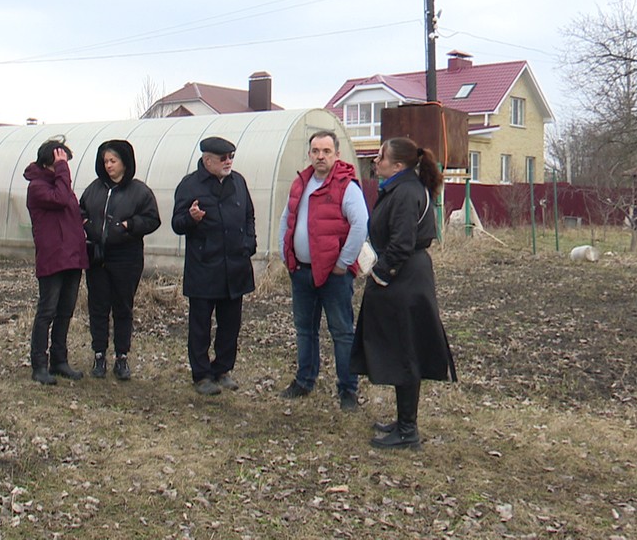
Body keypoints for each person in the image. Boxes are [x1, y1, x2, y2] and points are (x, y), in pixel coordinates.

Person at [350, 136, 457, 449]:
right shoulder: (400, 188)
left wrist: (380, 274)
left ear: (397, 165)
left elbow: (401, 243)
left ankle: (408, 432)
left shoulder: (406, 193)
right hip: (404, 277)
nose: (376, 161)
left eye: (381, 157)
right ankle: (403, 421)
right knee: (401, 349)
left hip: (406, 281)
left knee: (407, 351)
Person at [276, 131, 370, 411]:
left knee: (341, 331)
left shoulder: (346, 186)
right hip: (301, 271)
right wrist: (286, 254)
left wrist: (343, 263)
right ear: (309, 154)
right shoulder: (301, 183)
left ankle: (348, 389)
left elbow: (360, 225)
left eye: (326, 151)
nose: (320, 156)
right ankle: (304, 380)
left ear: (336, 155)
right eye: (315, 151)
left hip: (333, 276)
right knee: (305, 329)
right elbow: (287, 219)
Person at [171, 137, 257, 396]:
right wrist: (191, 218)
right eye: (223, 158)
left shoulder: (238, 182)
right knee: (200, 325)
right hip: (204, 267)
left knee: (230, 323)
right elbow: (177, 224)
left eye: (231, 156)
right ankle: (201, 375)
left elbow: (249, 215)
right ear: (207, 160)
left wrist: (249, 242)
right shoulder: (190, 185)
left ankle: (222, 369)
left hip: (235, 266)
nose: (228, 161)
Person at [79, 139, 161, 381]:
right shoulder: (94, 189)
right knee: (98, 306)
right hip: (97, 257)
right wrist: (85, 223)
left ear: (125, 163)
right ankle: (98, 355)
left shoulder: (139, 191)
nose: (108, 166)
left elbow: (152, 219)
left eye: (113, 161)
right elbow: (80, 209)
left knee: (123, 307)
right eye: (105, 161)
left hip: (127, 258)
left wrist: (129, 225)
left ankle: (122, 357)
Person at [24, 139, 89, 385]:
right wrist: (62, 169)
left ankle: (59, 360)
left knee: (65, 312)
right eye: (62, 162)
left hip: (73, 256)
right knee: (47, 311)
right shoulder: (37, 187)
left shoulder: (60, 184)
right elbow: (61, 199)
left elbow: (69, 209)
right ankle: (39, 364)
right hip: (53, 257)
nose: (65, 167)